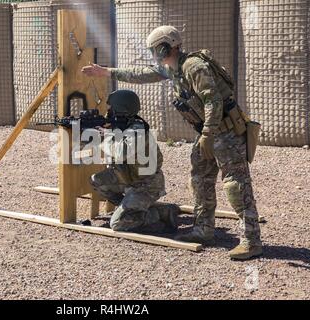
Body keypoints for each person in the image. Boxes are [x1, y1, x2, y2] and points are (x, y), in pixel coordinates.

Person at [82, 26, 262, 260]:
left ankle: (251, 240)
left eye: (156, 48)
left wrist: (208, 132)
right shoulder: (173, 69)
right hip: (208, 133)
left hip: (225, 132)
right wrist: (107, 72)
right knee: (200, 180)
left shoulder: (194, 67)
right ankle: (203, 229)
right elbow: (142, 74)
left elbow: (213, 101)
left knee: (236, 185)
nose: (154, 53)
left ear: (167, 45)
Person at [90, 89, 179, 234]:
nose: (109, 111)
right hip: (127, 178)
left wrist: (103, 137)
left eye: (111, 108)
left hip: (145, 185)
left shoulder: (138, 129)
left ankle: (161, 213)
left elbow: (121, 153)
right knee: (97, 180)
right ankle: (132, 208)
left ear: (121, 110)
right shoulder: (120, 126)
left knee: (118, 223)